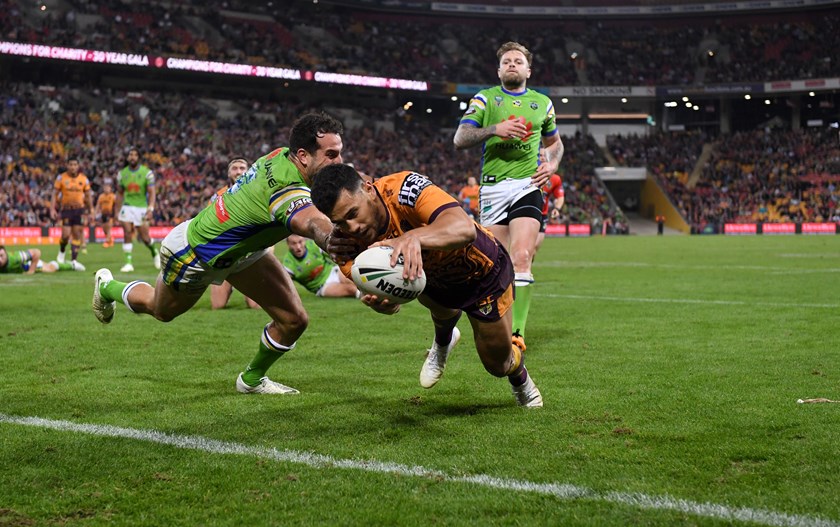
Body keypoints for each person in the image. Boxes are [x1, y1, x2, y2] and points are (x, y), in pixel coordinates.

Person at [91, 113, 346, 395]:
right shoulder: (285, 188)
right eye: (332, 155)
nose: (339, 162)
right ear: (303, 156)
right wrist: (344, 244)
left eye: (340, 154)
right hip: (194, 254)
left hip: (243, 253)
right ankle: (107, 286)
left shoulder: (282, 156)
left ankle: (251, 380)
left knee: (294, 320)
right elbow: (312, 223)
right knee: (160, 310)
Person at [310, 164, 543, 408]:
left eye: (353, 213)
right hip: (433, 281)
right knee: (421, 285)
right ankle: (443, 341)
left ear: (368, 189)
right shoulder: (345, 246)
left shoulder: (404, 189)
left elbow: (463, 229)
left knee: (497, 365)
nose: (352, 227)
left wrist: (412, 237)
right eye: (341, 222)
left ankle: (520, 377)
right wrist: (385, 304)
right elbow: (390, 299)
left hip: (481, 273)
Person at [453, 41, 564, 352]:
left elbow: (555, 144)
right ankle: (493, 328)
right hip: (492, 190)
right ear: (499, 69)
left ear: (528, 70)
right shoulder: (485, 99)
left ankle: (517, 334)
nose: (512, 65)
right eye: (507, 61)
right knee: (495, 268)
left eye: (518, 61)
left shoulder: (542, 103)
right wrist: (494, 129)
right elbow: (460, 138)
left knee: (523, 258)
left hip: (527, 185)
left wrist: (551, 164)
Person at [208, 158, 260, 310]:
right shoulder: (217, 197)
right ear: (229, 173)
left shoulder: (258, 192)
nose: (238, 171)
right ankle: (229, 283)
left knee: (255, 305)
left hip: (250, 252)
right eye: (235, 168)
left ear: (248, 171)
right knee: (217, 305)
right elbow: (210, 225)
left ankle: (245, 281)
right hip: (226, 253)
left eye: (242, 168)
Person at [115, 147, 159, 273]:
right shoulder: (122, 174)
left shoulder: (147, 173)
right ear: (128, 157)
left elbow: (152, 193)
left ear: (139, 157)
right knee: (127, 232)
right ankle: (128, 263)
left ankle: (154, 252)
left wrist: (151, 208)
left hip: (141, 208)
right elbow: (119, 193)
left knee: (145, 238)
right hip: (127, 206)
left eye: (135, 155)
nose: (132, 157)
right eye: (130, 154)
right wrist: (117, 210)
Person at [282, 234, 359, 298]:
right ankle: (367, 297)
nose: (298, 247)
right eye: (294, 243)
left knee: (355, 280)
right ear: (288, 245)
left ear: (304, 241)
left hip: (333, 272)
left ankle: (369, 291)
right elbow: (284, 284)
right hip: (322, 287)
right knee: (351, 289)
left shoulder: (313, 246)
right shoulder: (288, 263)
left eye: (300, 242)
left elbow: (334, 255)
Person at [50, 158, 94, 267]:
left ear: (78, 166)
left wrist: (91, 210)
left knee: (77, 234)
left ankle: (74, 260)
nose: (73, 167)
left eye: (75, 164)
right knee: (65, 235)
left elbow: (88, 196)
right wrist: (52, 209)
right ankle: (62, 252)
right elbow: (54, 194)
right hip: (66, 209)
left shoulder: (84, 179)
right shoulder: (61, 178)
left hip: (79, 209)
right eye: (71, 164)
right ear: (67, 165)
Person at [535, 172, 565, 255]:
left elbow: (560, 197)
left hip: (542, 215)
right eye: (540, 157)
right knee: (526, 248)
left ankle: (527, 267)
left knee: (535, 247)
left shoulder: (555, 179)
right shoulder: (528, 174)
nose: (542, 158)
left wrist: (557, 208)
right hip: (528, 214)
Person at [0, 246, 84, 274]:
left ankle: (72, 265)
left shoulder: (16, 258)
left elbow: (36, 252)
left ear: (6, 253)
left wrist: (31, 271)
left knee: (51, 269)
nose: (0, 260)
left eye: (1, 256)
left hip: (28, 265)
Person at [96, 183, 117, 248]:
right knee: (104, 229)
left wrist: (116, 214)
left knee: (108, 228)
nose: (106, 189)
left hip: (110, 213)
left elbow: (116, 205)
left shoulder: (113, 196)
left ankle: (107, 242)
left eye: (108, 188)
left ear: (110, 189)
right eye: (105, 188)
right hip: (103, 214)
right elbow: (98, 205)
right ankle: (111, 240)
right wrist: (96, 212)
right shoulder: (101, 196)